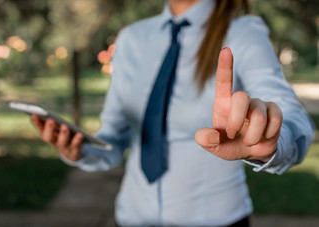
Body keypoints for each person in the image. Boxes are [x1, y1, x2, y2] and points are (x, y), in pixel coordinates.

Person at [32, 0, 315, 226]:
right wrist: (80, 150)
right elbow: (113, 141)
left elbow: (293, 119)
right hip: (130, 217)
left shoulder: (242, 33)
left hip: (215, 220)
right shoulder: (133, 37)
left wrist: (272, 141)